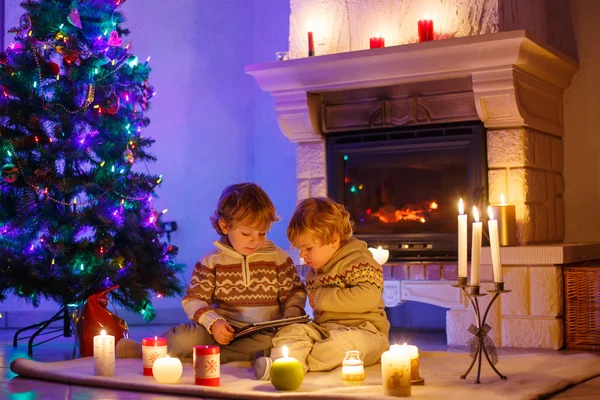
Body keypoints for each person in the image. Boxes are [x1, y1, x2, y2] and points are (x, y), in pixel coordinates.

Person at [116, 183, 307, 363]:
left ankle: (203, 357)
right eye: (246, 234)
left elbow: (294, 292)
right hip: (219, 331)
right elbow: (194, 300)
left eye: (262, 233)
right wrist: (214, 323)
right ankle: (145, 350)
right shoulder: (211, 261)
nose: (255, 241)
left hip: (263, 333)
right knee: (182, 338)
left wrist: (292, 311)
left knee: (275, 343)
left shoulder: (278, 258)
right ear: (225, 226)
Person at [254, 197, 390, 380]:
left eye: (308, 248)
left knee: (339, 346)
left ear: (333, 240)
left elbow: (368, 297)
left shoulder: (361, 262)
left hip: (367, 332)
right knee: (292, 331)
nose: (302, 255)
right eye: (300, 249)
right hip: (325, 330)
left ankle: (296, 363)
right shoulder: (314, 271)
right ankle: (281, 366)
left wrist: (322, 298)